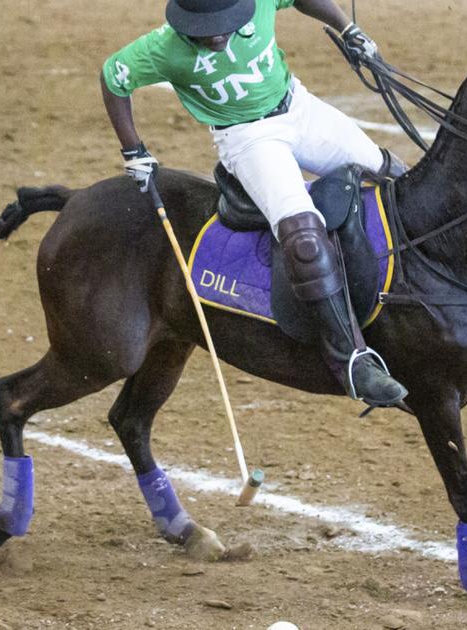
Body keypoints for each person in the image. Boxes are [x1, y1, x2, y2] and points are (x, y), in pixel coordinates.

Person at [100, 0, 408, 407]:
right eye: (203, 29)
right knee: (302, 232)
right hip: (248, 139)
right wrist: (133, 149)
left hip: (299, 109)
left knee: (394, 174)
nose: (215, 36)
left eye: (223, 24)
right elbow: (113, 78)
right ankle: (351, 359)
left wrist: (346, 29)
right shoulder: (163, 48)